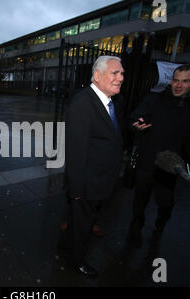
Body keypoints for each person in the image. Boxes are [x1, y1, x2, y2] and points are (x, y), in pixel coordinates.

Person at [128, 64, 190, 247]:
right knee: (140, 201)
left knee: (166, 203)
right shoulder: (155, 99)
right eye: (176, 80)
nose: (178, 85)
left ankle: (161, 223)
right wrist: (138, 122)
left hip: (171, 166)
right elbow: (136, 115)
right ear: (171, 81)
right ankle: (135, 231)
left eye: (185, 81)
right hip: (147, 160)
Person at [63, 55, 125, 277]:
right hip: (87, 183)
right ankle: (76, 261)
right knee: (82, 226)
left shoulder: (108, 101)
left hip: (100, 180)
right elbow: (75, 152)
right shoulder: (83, 103)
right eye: (115, 73)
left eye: (122, 73)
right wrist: (77, 191)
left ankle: (68, 248)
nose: (120, 78)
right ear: (97, 76)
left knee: (81, 224)